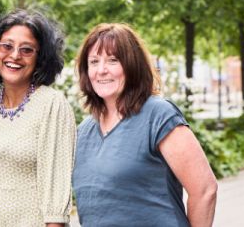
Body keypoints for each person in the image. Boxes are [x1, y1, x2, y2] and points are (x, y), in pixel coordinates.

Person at [73, 23, 218, 227]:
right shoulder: (84, 131)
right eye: (94, 62)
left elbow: (204, 190)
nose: (101, 70)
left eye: (113, 60)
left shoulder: (158, 115)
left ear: (132, 65)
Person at [0, 9, 76, 226]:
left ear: (40, 57)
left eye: (27, 50)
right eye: (6, 46)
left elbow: (57, 198)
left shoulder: (52, 105)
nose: (15, 55)